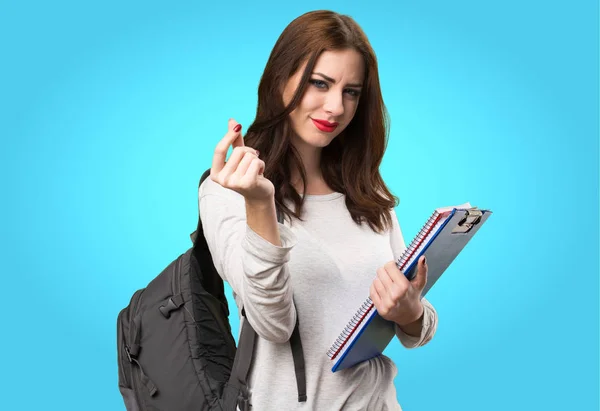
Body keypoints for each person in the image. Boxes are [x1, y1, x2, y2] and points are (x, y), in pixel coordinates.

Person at [199, 9, 438, 410]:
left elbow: (419, 327)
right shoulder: (227, 190)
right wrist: (261, 203)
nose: (335, 107)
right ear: (280, 80)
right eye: (319, 83)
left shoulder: (367, 190)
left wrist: (410, 310)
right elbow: (273, 324)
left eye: (351, 92)